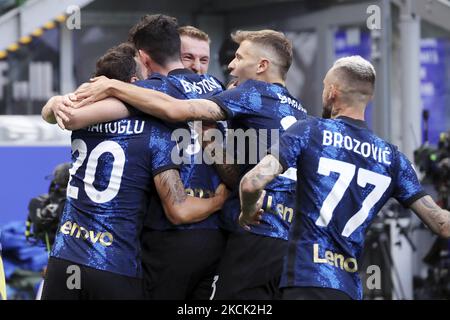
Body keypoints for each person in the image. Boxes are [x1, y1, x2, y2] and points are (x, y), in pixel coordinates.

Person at [73, 29, 308, 299]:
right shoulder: (298, 109)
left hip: (252, 232)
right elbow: (240, 174)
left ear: (262, 66)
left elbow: (175, 110)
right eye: (189, 57)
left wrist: (112, 86)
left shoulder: (252, 93)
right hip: (286, 242)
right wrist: (212, 142)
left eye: (239, 57)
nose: (230, 65)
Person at [238, 55, 450, 300]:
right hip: (346, 288)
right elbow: (441, 224)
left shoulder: (310, 130)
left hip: (306, 279)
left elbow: (252, 181)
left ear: (332, 92)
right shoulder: (393, 158)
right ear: (368, 97)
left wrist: (248, 210)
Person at [52, 15, 230, 300]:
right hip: (213, 237)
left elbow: (70, 117)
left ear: (144, 58)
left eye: (203, 59)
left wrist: (57, 103)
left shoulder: (149, 98)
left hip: (159, 240)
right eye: (189, 57)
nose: (197, 66)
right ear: (174, 51)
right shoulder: (217, 88)